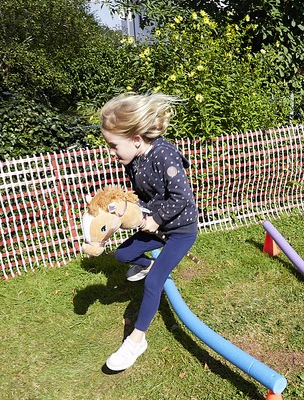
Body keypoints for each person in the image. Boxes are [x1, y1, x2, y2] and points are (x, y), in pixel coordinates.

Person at [99, 92, 198, 371]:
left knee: (154, 282)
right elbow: (144, 196)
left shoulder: (164, 154)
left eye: (113, 146)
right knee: (121, 255)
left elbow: (181, 197)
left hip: (180, 230)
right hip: (155, 227)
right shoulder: (133, 161)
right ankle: (151, 263)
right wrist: (126, 210)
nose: (111, 152)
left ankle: (136, 341)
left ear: (136, 139)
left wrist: (156, 218)